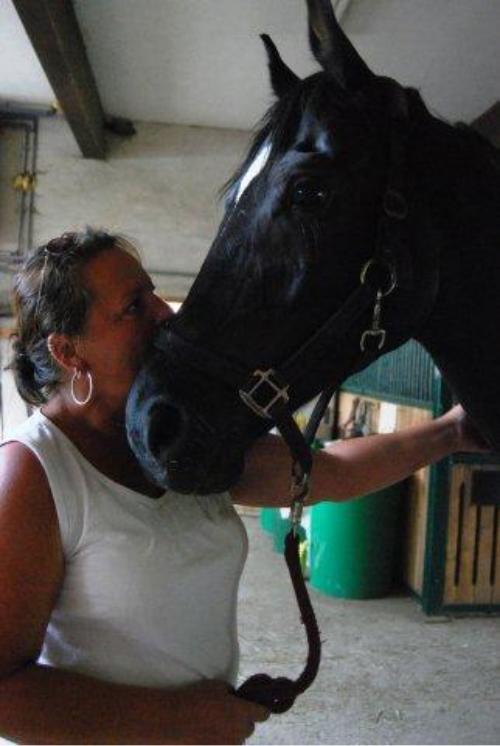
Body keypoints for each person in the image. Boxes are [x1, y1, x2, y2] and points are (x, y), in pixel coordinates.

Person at [0, 229, 487, 745]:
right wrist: (178, 719)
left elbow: (328, 472)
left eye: (154, 295)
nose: (165, 314)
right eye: (134, 307)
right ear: (68, 351)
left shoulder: (180, 437)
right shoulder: (33, 472)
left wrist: (453, 431)